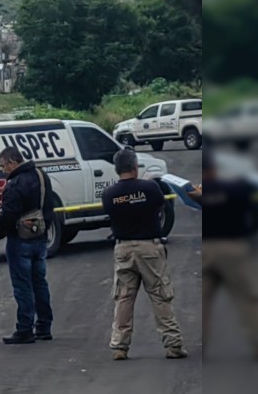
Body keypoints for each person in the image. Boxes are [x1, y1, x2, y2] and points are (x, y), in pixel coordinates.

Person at [101, 147, 187, 360]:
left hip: (123, 249)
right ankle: (173, 345)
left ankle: (120, 346)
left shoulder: (109, 194)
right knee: (160, 295)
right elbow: (161, 208)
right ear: (134, 167)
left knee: (124, 298)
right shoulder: (150, 188)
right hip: (149, 247)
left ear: (117, 169)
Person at [198, 148, 258, 359]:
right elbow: (256, 215)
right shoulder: (238, 189)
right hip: (234, 247)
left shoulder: (198, 194)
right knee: (248, 298)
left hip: (207, 250)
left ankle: (201, 349)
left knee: (203, 302)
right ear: (215, 169)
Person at [0, 147, 54, 344]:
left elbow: (8, 219)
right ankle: (44, 326)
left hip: (19, 239)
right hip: (40, 236)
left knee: (22, 285)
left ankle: (25, 328)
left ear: (12, 162)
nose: (2, 170)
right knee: (40, 282)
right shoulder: (41, 176)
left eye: (3, 166)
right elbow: (48, 205)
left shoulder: (14, 184)